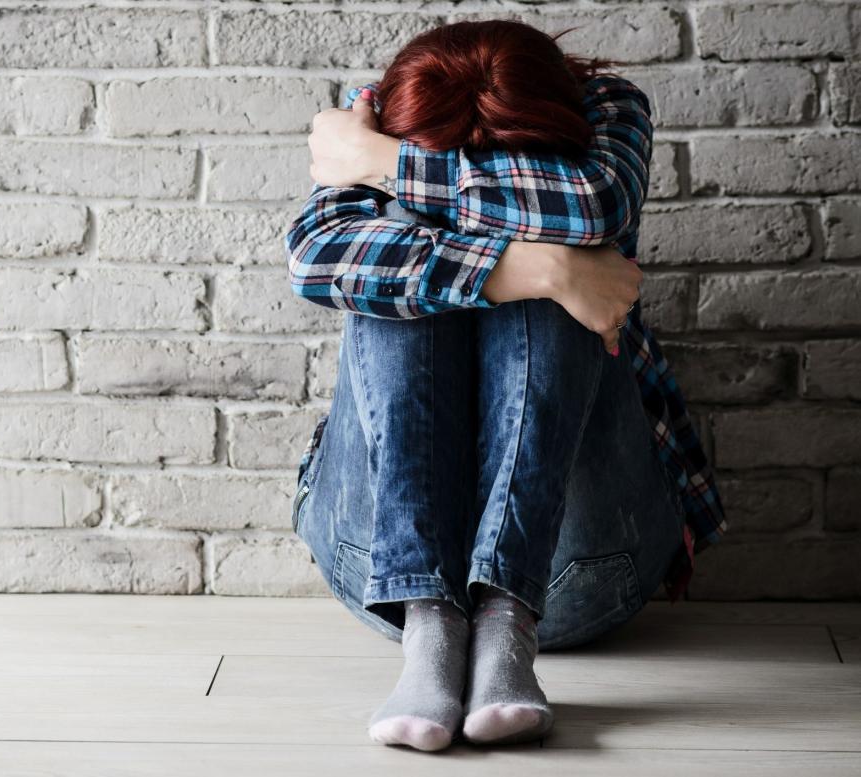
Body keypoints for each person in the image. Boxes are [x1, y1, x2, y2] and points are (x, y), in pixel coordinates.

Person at [283, 20, 728, 753]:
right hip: (379, 566)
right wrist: (551, 269)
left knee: (544, 254)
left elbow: (592, 205)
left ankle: (506, 620)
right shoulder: (372, 110)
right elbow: (314, 258)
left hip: (578, 571)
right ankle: (430, 622)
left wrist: (388, 164)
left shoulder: (607, 108)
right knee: (394, 279)